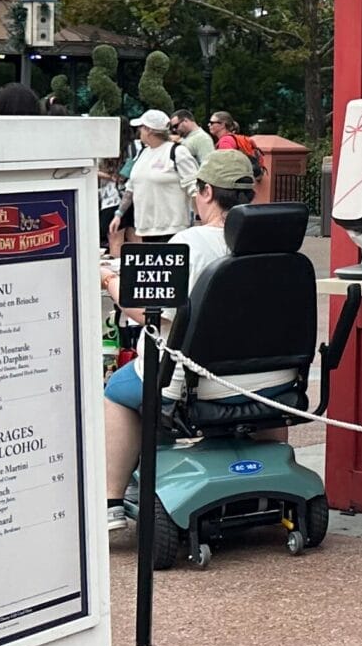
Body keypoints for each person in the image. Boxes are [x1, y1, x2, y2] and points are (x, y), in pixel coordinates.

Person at [98, 149, 263, 531]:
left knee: (117, 391)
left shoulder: (190, 242)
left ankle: (111, 501)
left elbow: (150, 314)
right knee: (261, 382)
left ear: (206, 192)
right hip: (271, 381)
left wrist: (108, 279)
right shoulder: (276, 243)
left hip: (193, 383)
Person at [122, 107, 199, 244]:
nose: (138, 131)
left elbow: (194, 188)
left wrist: (199, 220)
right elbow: (131, 188)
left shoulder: (177, 152)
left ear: (149, 130)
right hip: (145, 229)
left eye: (141, 127)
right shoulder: (142, 153)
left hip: (173, 230)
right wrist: (118, 214)